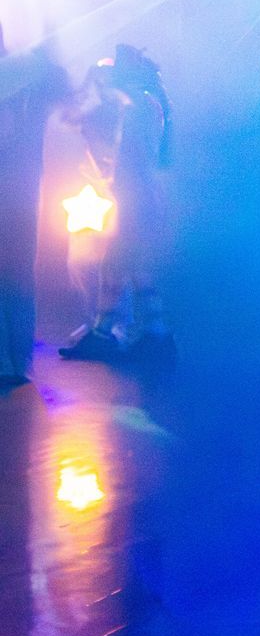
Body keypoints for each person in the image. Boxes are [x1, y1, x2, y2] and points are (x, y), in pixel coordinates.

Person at [57, 44, 173, 364]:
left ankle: (106, 335)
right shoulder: (149, 100)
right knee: (133, 266)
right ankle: (155, 335)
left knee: (119, 262)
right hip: (142, 193)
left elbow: (130, 157)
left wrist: (119, 191)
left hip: (134, 195)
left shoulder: (135, 104)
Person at [0, 28, 69, 386]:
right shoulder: (33, 84)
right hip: (25, 192)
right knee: (19, 274)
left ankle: (6, 362)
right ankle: (19, 360)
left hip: (9, 189)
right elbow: (65, 94)